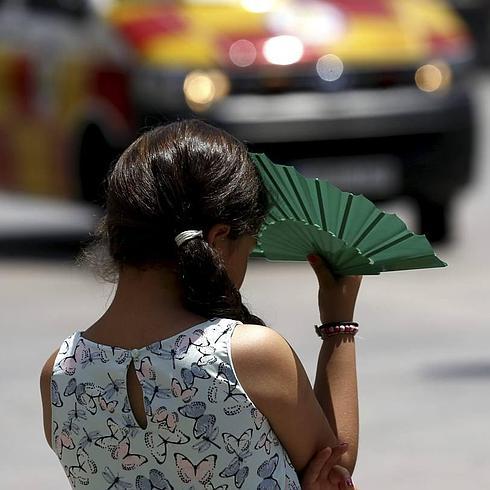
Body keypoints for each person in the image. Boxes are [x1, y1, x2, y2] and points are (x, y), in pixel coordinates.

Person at [40, 120, 362, 489]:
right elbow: (337, 462)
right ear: (220, 239)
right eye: (250, 247)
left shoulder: (60, 375)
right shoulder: (247, 356)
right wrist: (339, 323)